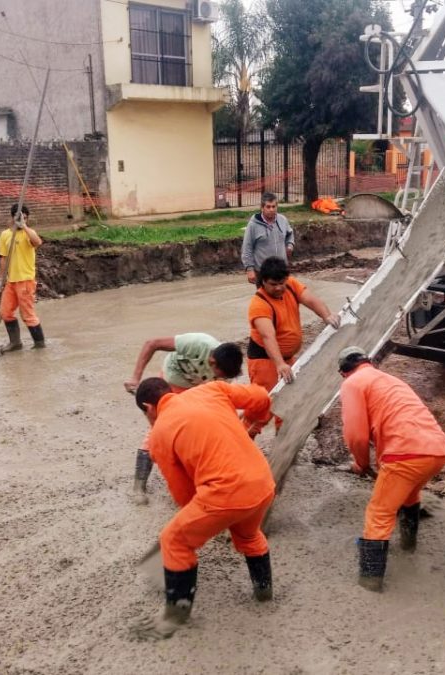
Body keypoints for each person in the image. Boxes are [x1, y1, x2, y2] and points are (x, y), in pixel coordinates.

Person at [133, 377, 276, 640]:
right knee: (248, 535)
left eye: (146, 415)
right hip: (263, 483)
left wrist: (201, 527)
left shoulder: (159, 434)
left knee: (173, 541)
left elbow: (183, 494)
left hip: (225, 494)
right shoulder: (211, 389)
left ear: (148, 407)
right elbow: (261, 396)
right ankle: (264, 593)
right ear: (170, 391)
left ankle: (173, 618)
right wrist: (255, 421)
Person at [336, 346, 445, 592]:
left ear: (344, 371)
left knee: (379, 512)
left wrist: (362, 463)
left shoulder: (353, 383)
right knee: (409, 495)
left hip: (405, 453)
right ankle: (409, 545)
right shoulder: (389, 379)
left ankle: (370, 581)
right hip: (437, 449)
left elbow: (355, 436)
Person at [123, 335, 244, 504]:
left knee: (195, 430)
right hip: (171, 383)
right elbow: (152, 343)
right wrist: (135, 378)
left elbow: (222, 396)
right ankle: (139, 486)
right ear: (212, 361)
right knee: (158, 430)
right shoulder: (197, 343)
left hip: (197, 389)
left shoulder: (226, 371)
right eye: (219, 374)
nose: (221, 377)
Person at [246, 256, 340, 436]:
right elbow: (268, 337)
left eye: (281, 282)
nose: (279, 287)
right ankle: (241, 442)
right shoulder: (259, 304)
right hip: (265, 361)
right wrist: (280, 364)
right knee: (263, 409)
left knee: (289, 403)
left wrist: (326, 316)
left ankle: (284, 439)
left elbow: (311, 300)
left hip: (287, 358)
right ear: (263, 281)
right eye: (274, 284)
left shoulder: (290, 285)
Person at [0, 204, 45, 350]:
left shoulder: (28, 233)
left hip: (25, 281)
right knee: (5, 312)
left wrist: (24, 226)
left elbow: (37, 242)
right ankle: (15, 343)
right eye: (18, 217)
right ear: (12, 217)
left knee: (27, 315)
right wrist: (1, 279)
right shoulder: (5, 235)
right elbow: (4, 258)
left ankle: (39, 344)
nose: (21, 219)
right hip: (11, 281)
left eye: (24, 218)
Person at [241, 192, 294, 285]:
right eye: (268, 207)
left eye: (274, 206)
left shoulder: (282, 220)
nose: (271, 209)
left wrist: (290, 245)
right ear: (262, 208)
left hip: (281, 270)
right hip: (263, 272)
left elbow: (290, 234)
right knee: (265, 299)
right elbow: (247, 248)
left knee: (282, 296)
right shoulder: (253, 225)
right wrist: (249, 269)